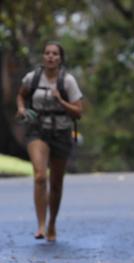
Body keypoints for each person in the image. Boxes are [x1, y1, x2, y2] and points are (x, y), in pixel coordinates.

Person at [15, 42, 83, 242]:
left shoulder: (68, 81)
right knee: (39, 176)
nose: (51, 57)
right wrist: (21, 109)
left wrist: (60, 100)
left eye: (55, 54)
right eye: (47, 53)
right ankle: (41, 225)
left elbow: (79, 111)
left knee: (56, 183)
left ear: (60, 58)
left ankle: (52, 222)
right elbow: (21, 95)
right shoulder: (33, 77)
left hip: (61, 133)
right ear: (43, 57)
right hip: (38, 131)